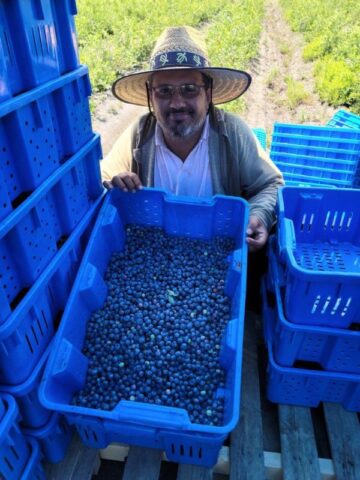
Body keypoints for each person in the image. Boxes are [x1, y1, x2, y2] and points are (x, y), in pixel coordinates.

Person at [101, 26, 284, 252]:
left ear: (208, 94)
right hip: (156, 253)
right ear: (151, 96)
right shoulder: (139, 135)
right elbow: (102, 177)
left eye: (189, 89)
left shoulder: (233, 133)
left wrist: (258, 216)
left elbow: (271, 185)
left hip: (219, 254)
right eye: (164, 91)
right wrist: (115, 183)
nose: (177, 103)